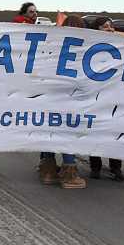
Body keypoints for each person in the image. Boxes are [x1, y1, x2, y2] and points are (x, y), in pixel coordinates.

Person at [37, 15, 88, 189]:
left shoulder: (53, 47)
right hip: (71, 97)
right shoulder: (84, 49)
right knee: (68, 133)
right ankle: (69, 173)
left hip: (51, 96)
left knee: (50, 131)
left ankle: (48, 169)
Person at [86, 16, 123, 181]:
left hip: (114, 95)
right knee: (95, 131)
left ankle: (116, 167)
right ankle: (95, 166)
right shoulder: (90, 48)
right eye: (105, 26)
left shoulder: (122, 46)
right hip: (96, 95)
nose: (110, 28)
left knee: (114, 132)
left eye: (111, 26)